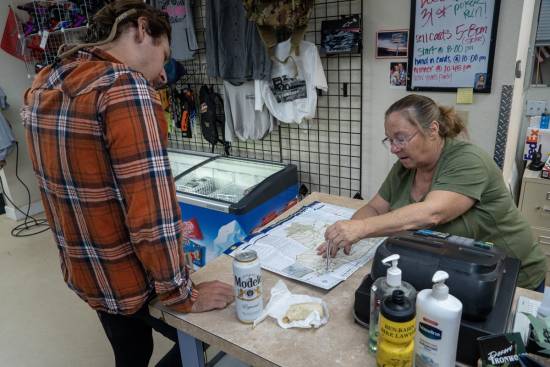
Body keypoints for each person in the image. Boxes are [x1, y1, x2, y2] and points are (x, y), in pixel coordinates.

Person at [21, 1, 234, 366]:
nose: (165, 76)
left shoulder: (44, 84)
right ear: (141, 30)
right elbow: (153, 217)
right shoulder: (126, 89)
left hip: (87, 269)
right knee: (206, 344)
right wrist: (184, 295)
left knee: (131, 352)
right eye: (164, 56)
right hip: (129, 274)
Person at [318, 94, 547, 291]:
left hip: (512, 277)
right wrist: (345, 234)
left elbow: (432, 213)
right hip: (460, 271)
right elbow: (376, 207)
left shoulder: (467, 160)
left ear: (433, 129)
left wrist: (362, 229)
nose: (394, 148)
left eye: (401, 138)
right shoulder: (405, 167)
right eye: (389, 139)